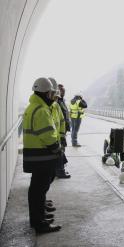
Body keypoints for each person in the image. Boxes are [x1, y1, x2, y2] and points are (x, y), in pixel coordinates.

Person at [23, 78, 62, 233]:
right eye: (50, 93)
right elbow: (48, 136)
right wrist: (57, 149)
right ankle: (40, 223)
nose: (51, 96)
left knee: (36, 190)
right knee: (38, 191)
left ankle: (38, 219)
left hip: (35, 156)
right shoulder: (41, 110)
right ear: (46, 93)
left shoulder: (33, 107)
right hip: (42, 157)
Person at [56, 82, 71, 178]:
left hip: (63, 130)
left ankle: (60, 170)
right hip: (58, 131)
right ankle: (60, 171)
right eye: (61, 90)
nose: (63, 91)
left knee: (62, 150)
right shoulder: (57, 102)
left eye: (64, 90)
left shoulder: (61, 101)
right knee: (60, 150)